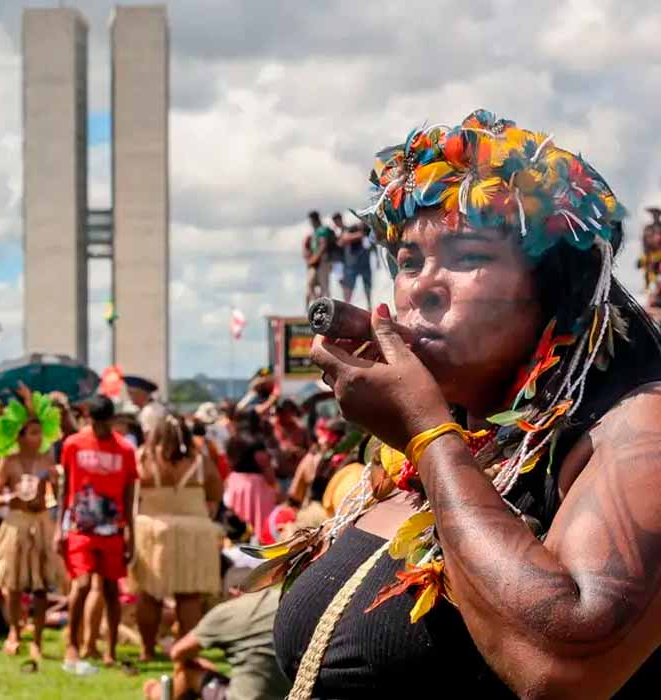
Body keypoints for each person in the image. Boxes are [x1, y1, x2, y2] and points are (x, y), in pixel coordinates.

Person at [271, 109, 661, 696]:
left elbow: (564, 669)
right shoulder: (414, 457)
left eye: (469, 256)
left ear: (560, 288)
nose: (423, 284)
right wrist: (426, 438)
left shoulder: (638, 429)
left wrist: (428, 433)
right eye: (408, 260)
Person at [55, 395, 138, 674]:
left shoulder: (125, 450)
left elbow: (129, 494)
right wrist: (59, 528)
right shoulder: (74, 444)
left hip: (113, 530)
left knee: (112, 589)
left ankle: (110, 650)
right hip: (80, 528)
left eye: (106, 423)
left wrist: (131, 535)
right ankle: (73, 645)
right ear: (89, 419)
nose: (102, 429)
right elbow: (64, 486)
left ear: (112, 420)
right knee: (81, 585)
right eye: (97, 423)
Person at [130, 415, 224, 661]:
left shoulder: (143, 457)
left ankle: (147, 650)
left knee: (150, 594)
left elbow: (130, 491)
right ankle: (186, 654)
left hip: (153, 531)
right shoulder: (200, 460)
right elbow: (216, 490)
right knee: (189, 596)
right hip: (193, 532)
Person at [0, 392, 64, 663]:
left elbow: (58, 492)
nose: (38, 438)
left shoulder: (47, 459)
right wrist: (10, 498)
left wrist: (56, 483)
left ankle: (37, 640)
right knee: (13, 586)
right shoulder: (9, 462)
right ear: (19, 435)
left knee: (41, 588)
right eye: (32, 432)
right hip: (16, 524)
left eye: (40, 432)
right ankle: (15, 632)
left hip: (40, 524)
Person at [144, 588, 291, 700]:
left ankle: (156, 693)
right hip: (299, 692)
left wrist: (197, 662)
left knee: (189, 673)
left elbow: (178, 652)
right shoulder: (290, 599)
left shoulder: (227, 612)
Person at [302, 210, 336, 307]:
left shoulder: (322, 230)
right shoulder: (314, 232)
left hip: (323, 262)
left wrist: (314, 259)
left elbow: (323, 245)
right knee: (310, 285)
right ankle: (317, 304)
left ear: (314, 220)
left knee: (324, 287)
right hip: (315, 263)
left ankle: (328, 309)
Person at [339, 223, 375, 309]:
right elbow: (344, 238)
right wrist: (359, 235)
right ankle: (346, 307)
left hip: (365, 265)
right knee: (348, 288)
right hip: (351, 265)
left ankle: (369, 307)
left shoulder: (368, 230)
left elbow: (374, 243)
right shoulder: (352, 228)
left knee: (367, 287)